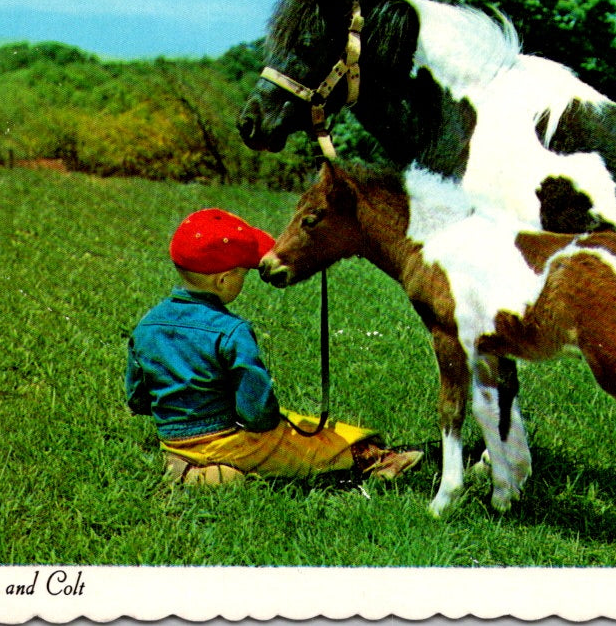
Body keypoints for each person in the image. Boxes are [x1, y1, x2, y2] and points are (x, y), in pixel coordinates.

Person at [126, 207, 422, 486]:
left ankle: (184, 462)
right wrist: (270, 426)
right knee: (321, 443)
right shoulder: (232, 332)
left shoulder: (147, 325)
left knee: (291, 420)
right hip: (227, 437)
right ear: (224, 280)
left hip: (173, 437)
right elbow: (257, 413)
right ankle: (377, 460)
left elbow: (138, 397)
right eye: (243, 273)